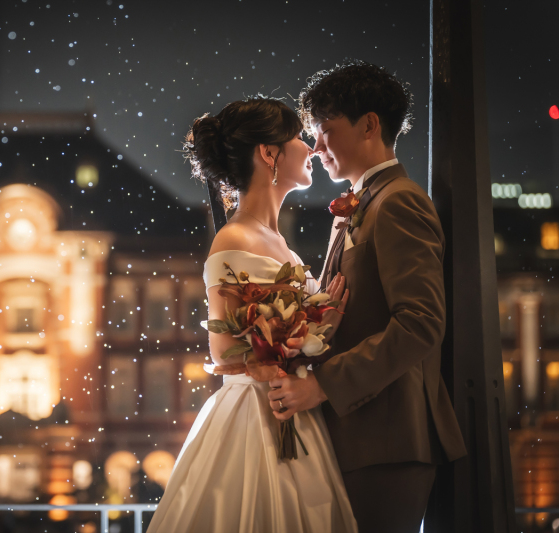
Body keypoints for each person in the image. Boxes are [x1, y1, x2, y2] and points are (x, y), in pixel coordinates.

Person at [267, 60, 467, 533]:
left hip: (388, 441)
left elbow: (420, 323)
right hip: (359, 438)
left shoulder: (399, 201)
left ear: (370, 125)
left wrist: (323, 384)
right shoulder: (363, 202)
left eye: (325, 130)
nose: (317, 147)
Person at [146, 97, 357, 533]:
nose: (311, 148)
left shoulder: (277, 242)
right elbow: (225, 349)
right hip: (256, 416)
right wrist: (315, 331)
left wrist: (313, 331)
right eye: (297, 138)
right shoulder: (235, 239)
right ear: (268, 153)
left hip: (290, 406)